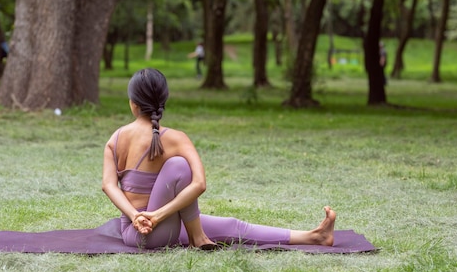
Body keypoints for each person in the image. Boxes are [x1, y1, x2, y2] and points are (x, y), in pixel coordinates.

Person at [102, 68, 336, 250]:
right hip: (151, 233)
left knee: (231, 226)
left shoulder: (115, 138)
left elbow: (108, 186)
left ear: (133, 104)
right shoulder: (176, 139)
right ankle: (197, 237)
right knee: (179, 165)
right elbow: (199, 184)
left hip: (134, 233)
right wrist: (152, 217)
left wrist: (138, 216)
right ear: (164, 101)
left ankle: (314, 236)